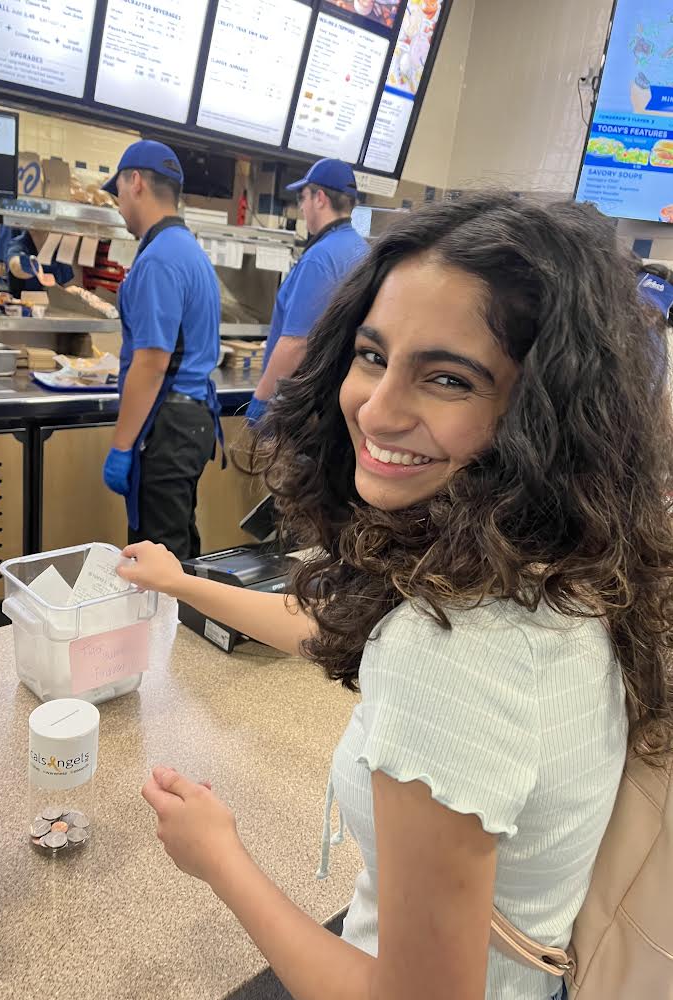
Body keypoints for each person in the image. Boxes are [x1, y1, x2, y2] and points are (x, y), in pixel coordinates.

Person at [118, 194, 673, 1000]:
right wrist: (182, 582)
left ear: (541, 414)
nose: (375, 409)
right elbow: (331, 625)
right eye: (373, 356)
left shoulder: (452, 654)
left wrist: (219, 858)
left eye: (447, 377)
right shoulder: (565, 567)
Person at [101, 140, 221, 560]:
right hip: (189, 421)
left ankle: (168, 627)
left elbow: (151, 364)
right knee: (177, 546)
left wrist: (120, 446)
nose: (117, 203)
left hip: (167, 425)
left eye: (116, 190)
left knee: (157, 558)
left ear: (135, 182)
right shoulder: (188, 250)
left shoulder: (158, 260)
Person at [244, 158, 368, 425]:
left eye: (303, 197)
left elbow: (296, 343)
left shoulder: (320, 258)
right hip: (337, 403)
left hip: (307, 407)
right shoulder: (362, 250)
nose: (301, 207)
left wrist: (261, 403)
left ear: (320, 198)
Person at [4, 228, 75, 295]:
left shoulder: (59, 247)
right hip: (24, 304)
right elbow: (15, 265)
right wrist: (31, 267)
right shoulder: (19, 244)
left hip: (54, 305)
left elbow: (68, 284)